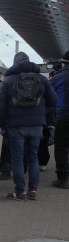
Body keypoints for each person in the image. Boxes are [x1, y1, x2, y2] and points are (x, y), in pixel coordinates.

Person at [0, 52, 58, 200]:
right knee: (33, 158)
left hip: (15, 126)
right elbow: (54, 101)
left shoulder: (8, 80)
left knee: (17, 159)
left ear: (14, 63)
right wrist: (42, 114)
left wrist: (2, 123)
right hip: (36, 126)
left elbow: (1, 105)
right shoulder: (42, 80)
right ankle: (33, 191)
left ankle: (20, 191)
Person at [51, 50, 69, 189]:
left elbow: (50, 97)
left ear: (63, 64)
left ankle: (62, 179)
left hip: (63, 116)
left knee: (62, 148)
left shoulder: (58, 77)